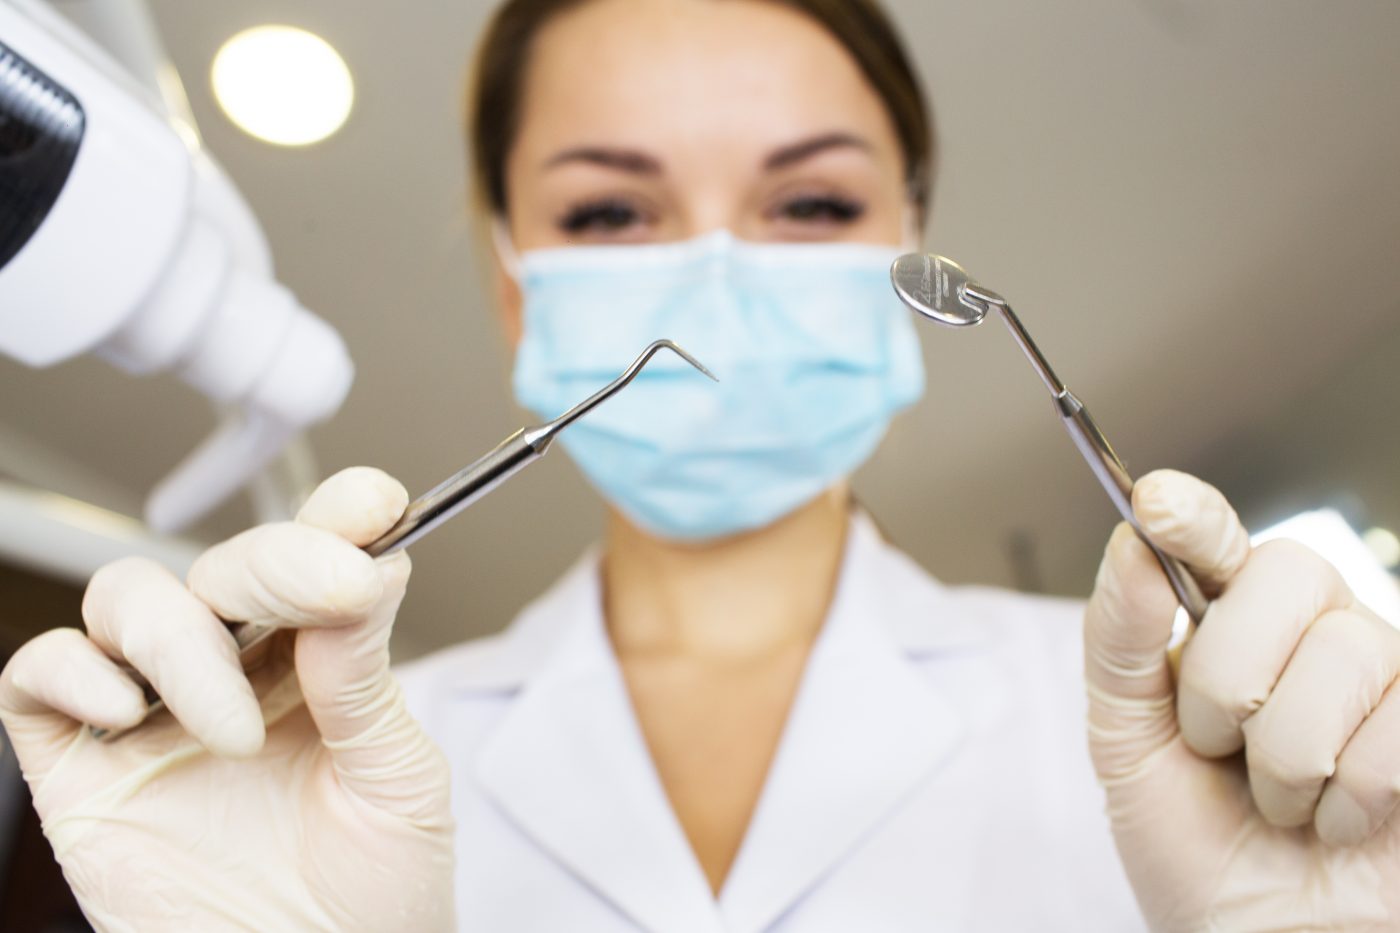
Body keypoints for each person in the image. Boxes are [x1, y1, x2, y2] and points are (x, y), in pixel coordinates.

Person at [3, 0, 1398, 929]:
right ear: (514, 280)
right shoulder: (312, 775)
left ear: (915, 252)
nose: (718, 278)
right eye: (613, 208)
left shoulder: (1206, 753)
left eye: (811, 202)